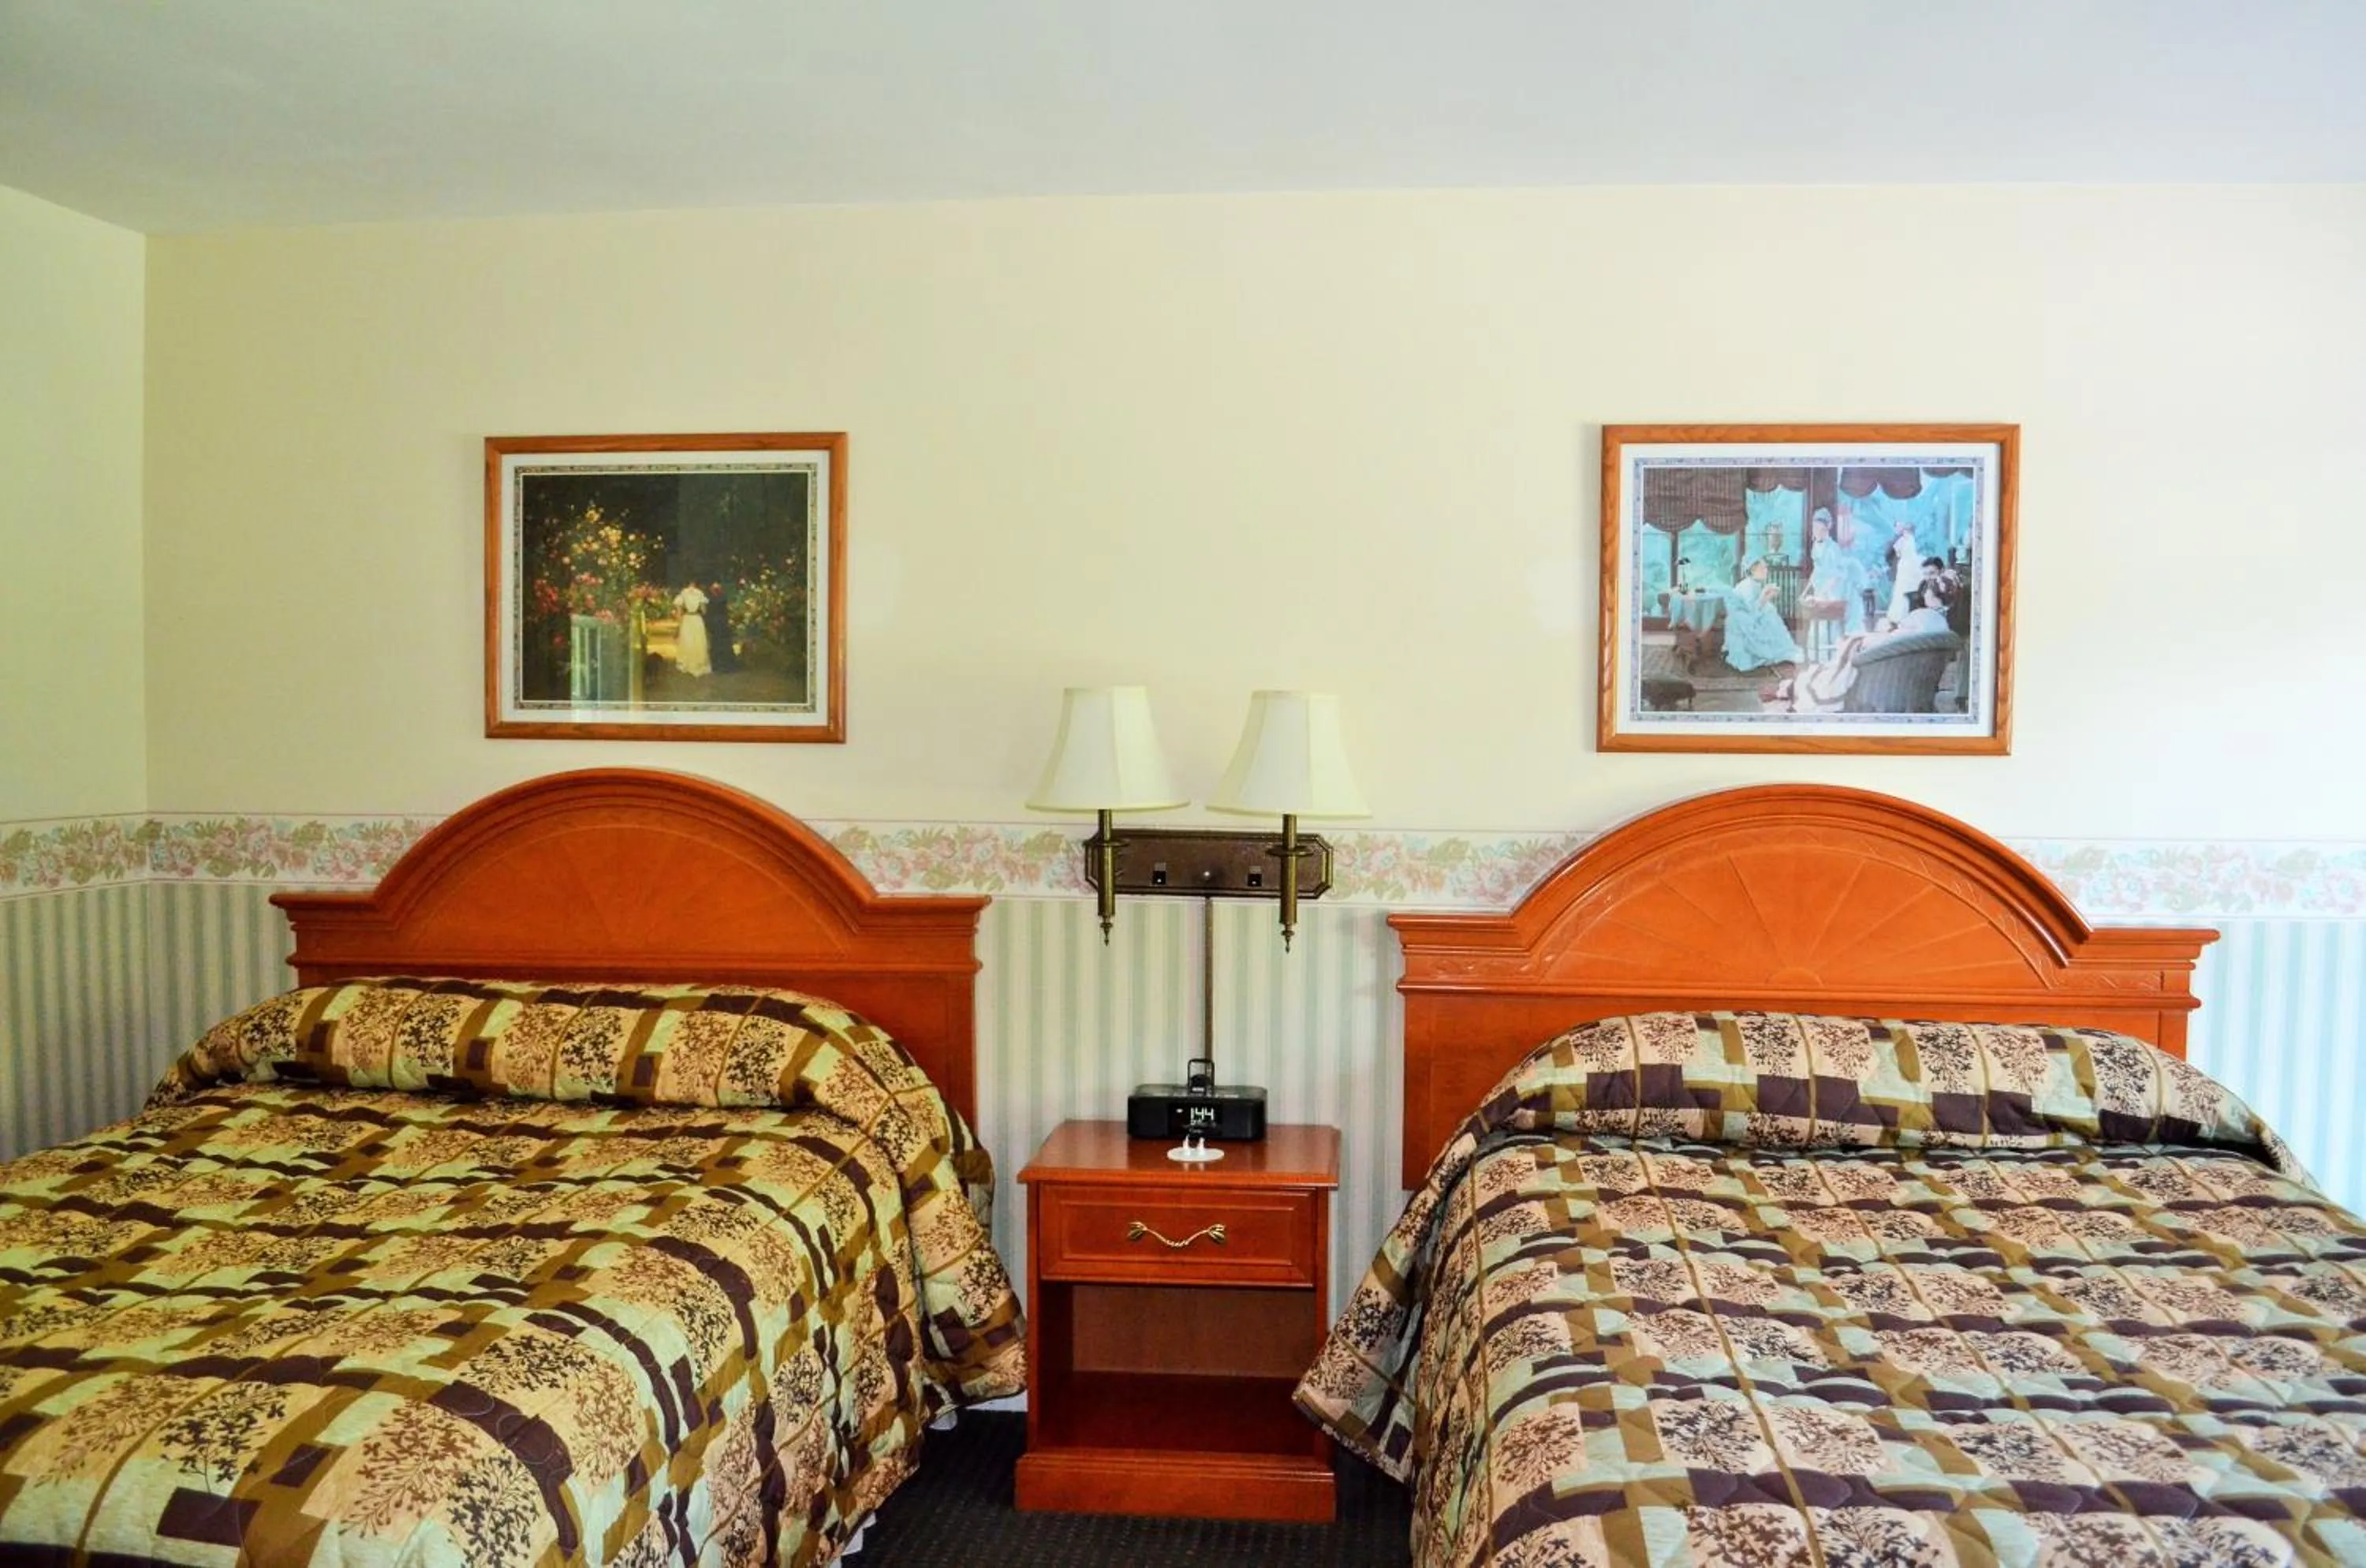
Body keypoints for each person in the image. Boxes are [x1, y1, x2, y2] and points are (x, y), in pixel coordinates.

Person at [1721, 557, 1802, 673]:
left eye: (1766, 568)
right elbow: (1751, 611)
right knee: (1770, 614)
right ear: (1753, 570)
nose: (1766, 571)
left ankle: (1783, 648)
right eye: (1762, 568)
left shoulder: (1754, 584)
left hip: (1751, 616)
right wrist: (1765, 597)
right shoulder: (1747, 586)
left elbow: (1757, 606)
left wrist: (1766, 597)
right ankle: (1771, 651)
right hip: (1743, 621)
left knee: (1770, 613)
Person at [1804, 508, 1868, 635]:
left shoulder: (1833, 548)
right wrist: (1806, 590)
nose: (1817, 532)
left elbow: (1837, 575)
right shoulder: (1816, 546)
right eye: (1815, 529)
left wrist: (1823, 592)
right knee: (1816, 619)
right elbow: (1816, 570)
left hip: (1834, 587)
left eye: (1821, 529)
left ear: (1827, 529)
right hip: (1820, 584)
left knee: (1831, 622)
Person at [671, 582, 711, 677]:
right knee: (698, 640)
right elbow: (704, 610)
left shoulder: (683, 594)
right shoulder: (700, 594)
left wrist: (678, 623)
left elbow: (679, 611)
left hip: (687, 619)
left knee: (687, 640)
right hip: (697, 619)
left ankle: (686, 662)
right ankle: (699, 662)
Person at [702, 581, 738, 673]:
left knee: (717, 644)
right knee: (721, 644)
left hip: (717, 624)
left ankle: (719, 665)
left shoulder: (712, 599)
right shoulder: (722, 598)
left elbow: (709, 613)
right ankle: (723, 664)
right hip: (721, 623)